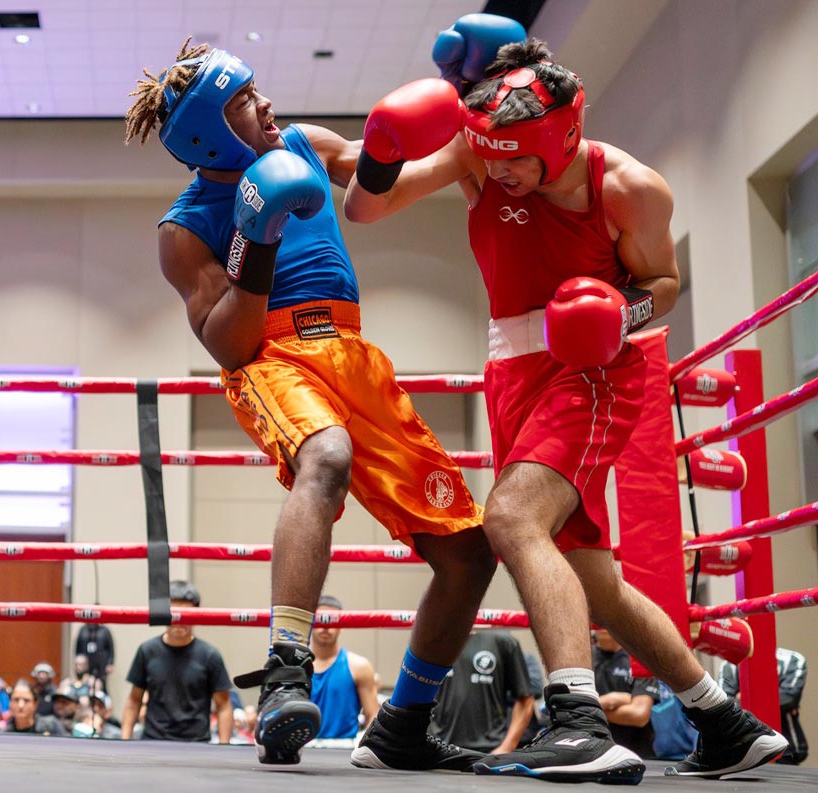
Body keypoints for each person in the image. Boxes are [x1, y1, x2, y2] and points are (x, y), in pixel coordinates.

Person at [343, 13, 789, 782]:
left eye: (517, 160)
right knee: (591, 579)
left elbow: (663, 285)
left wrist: (623, 313)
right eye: (494, 159)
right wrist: (381, 151)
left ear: (559, 138)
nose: (501, 173)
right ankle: (724, 721)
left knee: (511, 518)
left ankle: (579, 720)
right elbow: (366, 208)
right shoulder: (480, 153)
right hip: (511, 373)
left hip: (596, 369)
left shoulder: (629, 187)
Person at [124, 37, 499, 771]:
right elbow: (229, 346)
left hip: (354, 355)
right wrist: (253, 240)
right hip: (273, 357)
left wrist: (459, 115)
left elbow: (382, 186)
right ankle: (287, 667)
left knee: (468, 551)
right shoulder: (183, 228)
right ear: (206, 131)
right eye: (243, 101)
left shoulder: (302, 141)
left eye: (256, 89)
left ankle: (405, 721)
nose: (266, 104)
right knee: (324, 455)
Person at [119, 581, 233, 743]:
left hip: (196, 745)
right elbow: (134, 700)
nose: (180, 620)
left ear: (197, 614)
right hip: (153, 742)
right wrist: (125, 741)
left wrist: (224, 747)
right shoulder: (147, 651)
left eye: (186, 613)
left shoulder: (210, 655)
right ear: (164, 613)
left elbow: (223, 706)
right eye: (174, 613)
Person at [430, 628, 535, 755]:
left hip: (489, 751)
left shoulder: (503, 641)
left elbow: (525, 700)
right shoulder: (429, 639)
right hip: (437, 749)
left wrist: (507, 747)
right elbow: (411, 696)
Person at [719, 647, 808, 765]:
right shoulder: (730, 664)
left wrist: (742, 697)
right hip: (741, 751)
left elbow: (788, 699)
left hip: (786, 751)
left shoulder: (791, 660)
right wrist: (774, 694)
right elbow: (724, 706)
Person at [309, 595, 380, 740]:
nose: (326, 625)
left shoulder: (359, 666)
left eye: (332, 619)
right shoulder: (294, 666)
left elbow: (373, 715)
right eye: (321, 619)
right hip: (301, 749)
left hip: (344, 750)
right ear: (310, 623)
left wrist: (363, 745)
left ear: (342, 625)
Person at [591, 628, 660, 758]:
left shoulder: (640, 657)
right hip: (592, 754)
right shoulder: (582, 659)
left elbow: (638, 715)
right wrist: (613, 700)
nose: (602, 625)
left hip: (637, 755)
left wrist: (589, 709)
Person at [1, 679, 67, 736]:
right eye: (16, 700)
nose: (21, 705)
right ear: (10, 703)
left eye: (26, 700)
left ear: (35, 704)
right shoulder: (2, 731)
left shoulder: (51, 726)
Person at [75, 623, 115, 690]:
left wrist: (110, 663)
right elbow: (77, 647)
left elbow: (110, 648)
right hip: (85, 664)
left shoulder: (104, 631)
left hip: (101, 664)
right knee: (83, 685)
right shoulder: (83, 630)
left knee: (101, 685)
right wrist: (77, 661)